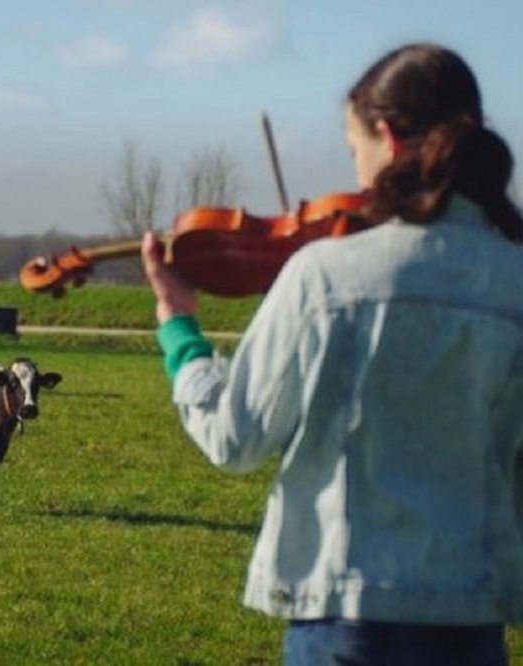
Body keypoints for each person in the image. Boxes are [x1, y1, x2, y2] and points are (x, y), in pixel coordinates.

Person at [141, 42, 523, 665]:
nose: (356, 178)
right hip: (474, 622)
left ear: (390, 142)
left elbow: (233, 437)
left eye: (356, 153)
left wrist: (181, 328)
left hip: (346, 622)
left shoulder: (325, 276)